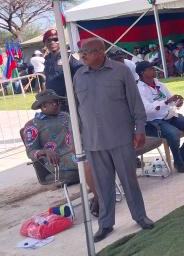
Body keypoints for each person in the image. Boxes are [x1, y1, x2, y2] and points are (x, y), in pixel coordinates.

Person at [73, 38, 154, 242]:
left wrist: (140, 128)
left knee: (129, 181)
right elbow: (75, 110)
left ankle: (140, 216)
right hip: (93, 141)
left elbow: (135, 103)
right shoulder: (78, 75)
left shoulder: (121, 71)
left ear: (100, 52)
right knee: (102, 185)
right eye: (81, 52)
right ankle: (105, 224)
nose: (82, 56)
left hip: (120, 137)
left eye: (87, 52)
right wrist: (75, 136)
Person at [23, 89, 100, 217]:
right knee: (85, 160)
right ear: (43, 106)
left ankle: (101, 196)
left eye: (59, 102)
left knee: (100, 155)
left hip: (75, 152)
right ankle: (100, 199)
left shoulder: (65, 116)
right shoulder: (33, 125)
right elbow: (31, 152)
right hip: (56, 160)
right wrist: (44, 151)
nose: (58, 104)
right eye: (54, 102)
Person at [136, 61, 184, 173]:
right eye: (150, 68)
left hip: (169, 116)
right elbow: (146, 109)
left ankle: (181, 155)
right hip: (152, 122)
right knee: (173, 133)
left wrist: (177, 102)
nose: (154, 70)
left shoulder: (160, 85)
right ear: (142, 72)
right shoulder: (139, 89)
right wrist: (166, 102)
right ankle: (178, 161)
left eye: (153, 68)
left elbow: (170, 101)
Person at [42, 29, 83, 112]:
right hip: (52, 102)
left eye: (56, 39)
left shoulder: (69, 57)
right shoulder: (47, 59)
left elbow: (81, 73)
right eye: (48, 40)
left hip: (68, 102)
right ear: (45, 43)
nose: (52, 42)